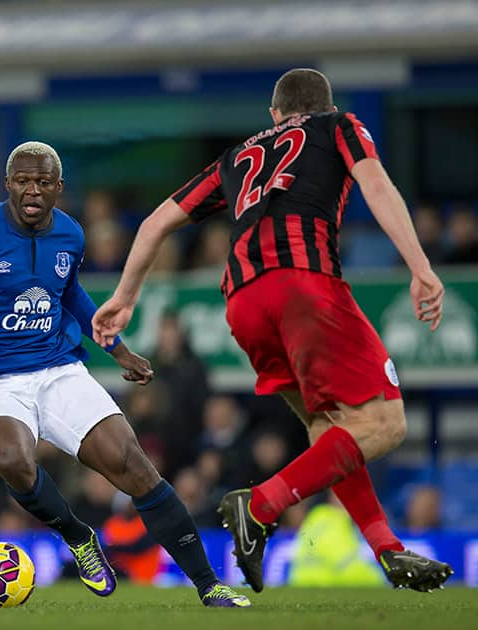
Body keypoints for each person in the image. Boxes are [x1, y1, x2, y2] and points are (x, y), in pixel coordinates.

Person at [92, 68, 453, 594]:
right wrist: (420, 265)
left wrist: (124, 298)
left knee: (329, 427)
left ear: (274, 114)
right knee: (385, 423)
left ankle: (387, 550)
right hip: (304, 286)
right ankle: (258, 506)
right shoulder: (339, 126)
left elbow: (154, 224)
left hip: (241, 302)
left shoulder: (235, 157)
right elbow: (375, 183)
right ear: (323, 104)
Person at [0, 141, 250, 608]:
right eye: (22, 180)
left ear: (58, 188)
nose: (32, 190)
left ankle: (211, 585)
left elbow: (70, 294)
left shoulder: (70, 234)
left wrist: (118, 350)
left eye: (43, 182)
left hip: (58, 370)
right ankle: (79, 537)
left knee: (134, 466)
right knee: (14, 460)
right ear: (8, 184)